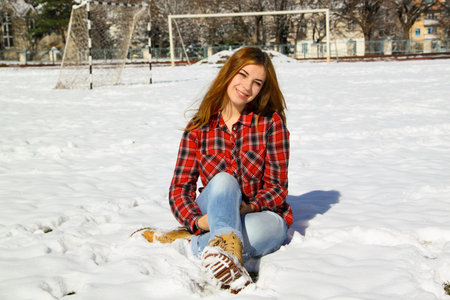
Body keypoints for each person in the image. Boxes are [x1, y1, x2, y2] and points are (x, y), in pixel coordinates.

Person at [137, 47, 292, 294]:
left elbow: (277, 188)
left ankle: (200, 242)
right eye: (242, 75)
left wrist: (249, 207)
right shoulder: (199, 128)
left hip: (257, 214)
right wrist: (198, 220)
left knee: (268, 230)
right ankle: (228, 252)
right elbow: (180, 189)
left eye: (257, 83)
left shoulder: (270, 124)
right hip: (213, 209)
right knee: (223, 180)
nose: (247, 87)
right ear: (229, 73)